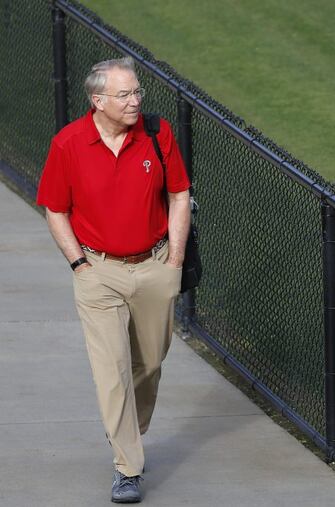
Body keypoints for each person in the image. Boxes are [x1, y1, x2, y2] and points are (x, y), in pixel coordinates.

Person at [36, 57, 191, 503]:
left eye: (137, 92)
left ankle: (127, 435)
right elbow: (55, 209)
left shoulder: (158, 135)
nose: (134, 101)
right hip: (98, 272)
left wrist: (174, 260)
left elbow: (179, 194)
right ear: (97, 100)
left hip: (156, 265)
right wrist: (79, 265)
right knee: (114, 371)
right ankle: (128, 467)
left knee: (152, 362)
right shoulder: (68, 143)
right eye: (124, 95)